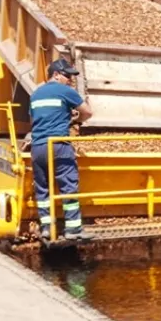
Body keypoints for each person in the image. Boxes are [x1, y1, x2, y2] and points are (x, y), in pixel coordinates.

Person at [29, 58, 94, 242]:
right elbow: (88, 112)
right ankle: (73, 229)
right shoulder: (65, 91)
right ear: (56, 75)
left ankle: (46, 228)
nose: (70, 80)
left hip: (38, 146)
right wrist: (75, 120)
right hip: (59, 145)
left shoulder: (35, 94)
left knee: (43, 189)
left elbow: (34, 121)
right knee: (68, 186)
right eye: (67, 76)